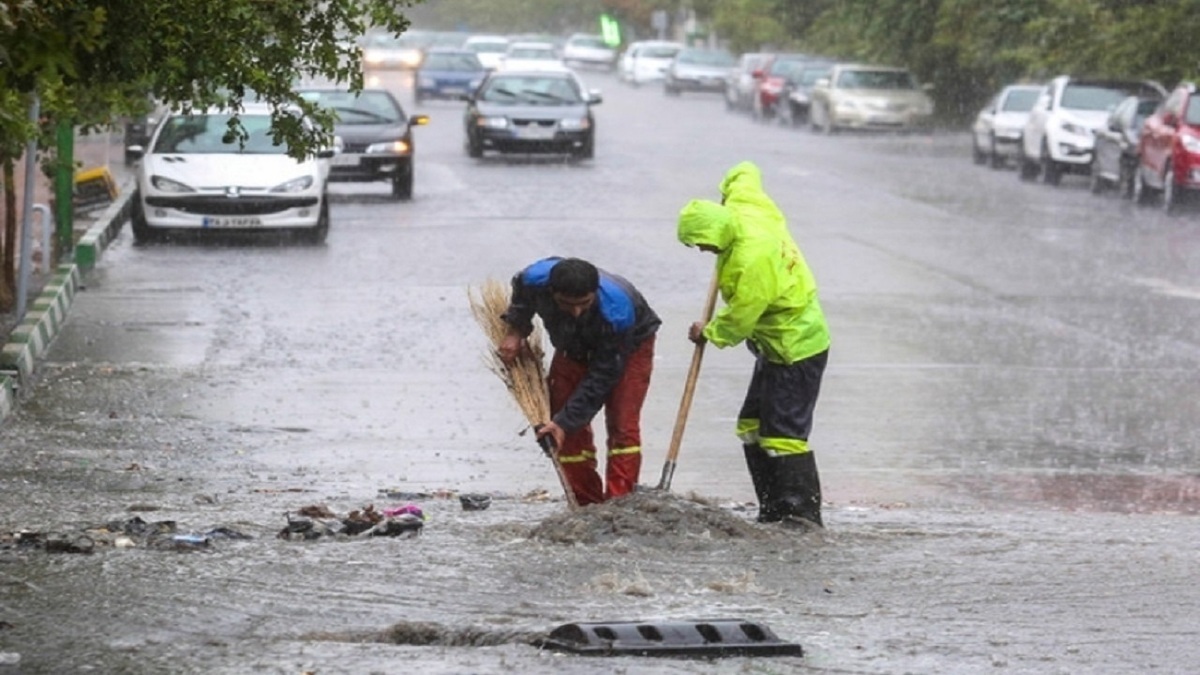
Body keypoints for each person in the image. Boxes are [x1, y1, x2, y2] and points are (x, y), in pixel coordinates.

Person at [676, 161, 831, 527]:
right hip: (771, 348)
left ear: (717, 235)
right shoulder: (746, 208)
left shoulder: (751, 261)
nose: (701, 251)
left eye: (703, 245)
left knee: (783, 434)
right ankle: (772, 508)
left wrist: (709, 332)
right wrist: (728, 190)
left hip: (795, 346)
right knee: (751, 426)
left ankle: (800, 516)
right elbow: (745, 173)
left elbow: (743, 316)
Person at [499, 257, 661, 506]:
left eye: (584, 304)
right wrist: (515, 331)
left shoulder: (617, 314)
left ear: (594, 293)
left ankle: (618, 505)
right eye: (567, 304)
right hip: (572, 346)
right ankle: (585, 503)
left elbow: (602, 377)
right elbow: (522, 301)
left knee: (622, 424)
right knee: (559, 428)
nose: (576, 311)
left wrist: (565, 421)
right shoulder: (532, 279)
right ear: (551, 292)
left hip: (628, 348)